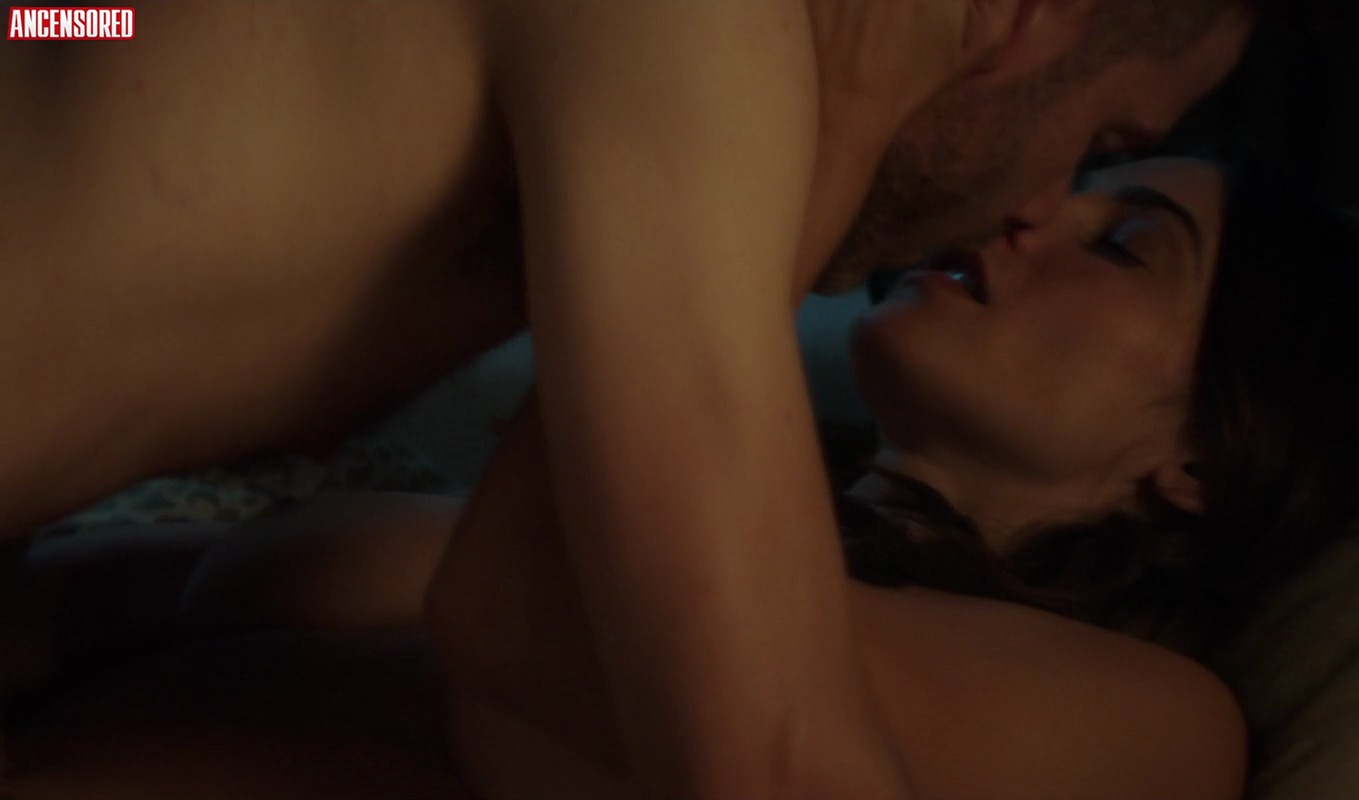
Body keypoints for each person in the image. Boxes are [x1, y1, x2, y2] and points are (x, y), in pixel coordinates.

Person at [3, 156, 1359, 799]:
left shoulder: (1158, 725)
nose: (1030, 209)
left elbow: (565, 643)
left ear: (1205, 459)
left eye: (1125, 246)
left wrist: (753, 153)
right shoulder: (752, 511)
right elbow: (100, 595)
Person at [0, 0, 1258, 537]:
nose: (1036, 206)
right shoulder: (711, 49)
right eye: (1100, 139)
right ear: (1039, 14)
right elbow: (769, 756)